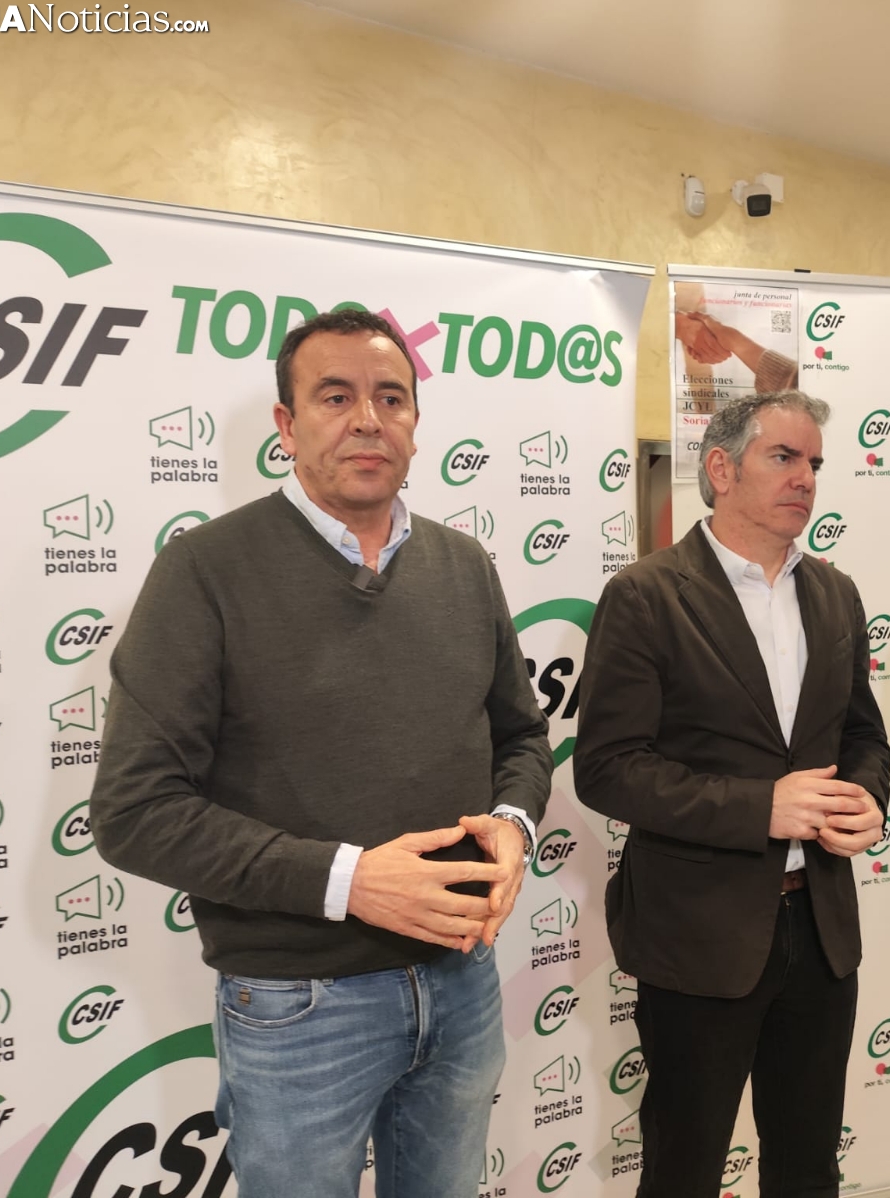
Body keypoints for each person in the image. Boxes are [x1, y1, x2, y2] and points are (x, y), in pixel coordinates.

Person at [90, 309, 553, 1198]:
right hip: (299, 1006)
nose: (367, 420)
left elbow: (522, 736)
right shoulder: (204, 571)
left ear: (415, 421)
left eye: (391, 398)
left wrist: (513, 822)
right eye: (335, 397)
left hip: (463, 980)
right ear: (287, 423)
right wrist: (350, 881)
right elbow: (133, 812)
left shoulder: (465, 565)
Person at [575, 390, 890, 1198]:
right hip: (697, 938)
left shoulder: (836, 594)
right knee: (683, 1170)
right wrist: (762, 808)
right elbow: (607, 768)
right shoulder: (647, 595)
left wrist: (866, 797)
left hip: (821, 932)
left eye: (814, 462)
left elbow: (863, 737)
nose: (805, 478)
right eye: (783, 457)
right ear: (720, 469)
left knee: (808, 1167)